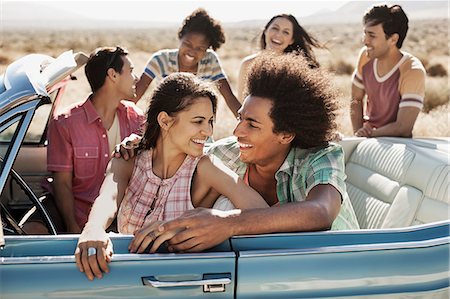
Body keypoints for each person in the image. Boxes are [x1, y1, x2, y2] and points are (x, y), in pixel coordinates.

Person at [130, 53, 360, 254]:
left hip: (338, 267)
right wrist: (138, 145)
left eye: (252, 124)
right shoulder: (227, 152)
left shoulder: (320, 157)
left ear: (286, 134)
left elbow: (320, 212)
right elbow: (179, 150)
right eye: (240, 118)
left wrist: (228, 223)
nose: (237, 130)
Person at [74, 73, 268, 281]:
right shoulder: (129, 157)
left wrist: (184, 225)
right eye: (198, 121)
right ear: (165, 121)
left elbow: (262, 213)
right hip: (130, 280)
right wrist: (93, 228)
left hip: (184, 282)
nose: (208, 131)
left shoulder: (205, 167)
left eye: (210, 121)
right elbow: (108, 198)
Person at [24, 46, 146, 234]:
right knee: (28, 234)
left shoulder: (136, 119)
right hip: (70, 210)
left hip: (115, 210)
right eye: (130, 71)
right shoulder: (66, 122)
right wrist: (72, 227)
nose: (136, 78)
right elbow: (62, 183)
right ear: (113, 75)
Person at [133, 8, 241, 117]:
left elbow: (229, 97)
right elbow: (135, 96)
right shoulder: (160, 60)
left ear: (207, 49)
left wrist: (246, 122)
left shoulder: (210, 61)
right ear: (180, 38)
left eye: (200, 48)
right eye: (188, 44)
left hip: (196, 124)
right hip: (166, 124)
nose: (192, 52)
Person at [351, 4, 425, 138]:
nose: (365, 41)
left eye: (372, 35)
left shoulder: (413, 71)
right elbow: (355, 99)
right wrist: (358, 134)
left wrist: (369, 134)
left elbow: (403, 128)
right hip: (367, 141)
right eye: (365, 33)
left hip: (396, 149)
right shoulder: (365, 57)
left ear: (393, 39)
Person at [237, 14, 323, 100]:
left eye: (286, 32)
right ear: (266, 30)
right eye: (275, 28)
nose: (278, 35)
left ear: (291, 40)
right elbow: (241, 105)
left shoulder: (295, 69)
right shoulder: (248, 64)